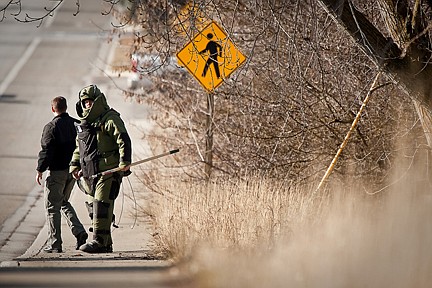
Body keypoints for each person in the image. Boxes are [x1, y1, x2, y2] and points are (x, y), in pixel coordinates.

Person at [70, 84, 132, 253]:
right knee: (93, 208)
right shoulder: (85, 124)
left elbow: (123, 139)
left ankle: (98, 241)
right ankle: (107, 243)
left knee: (102, 206)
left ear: (97, 101)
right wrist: (74, 165)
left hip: (109, 171)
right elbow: (79, 148)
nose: (87, 105)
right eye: (85, 102)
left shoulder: (110, 118)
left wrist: (124, 162)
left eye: (90, 101)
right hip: (90, 173)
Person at [36, 96, 88, 253]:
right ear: (66, 107)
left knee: (52, 206)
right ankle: (79, 231)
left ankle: (54, 244)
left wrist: (40, 169)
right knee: (63, 201)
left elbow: (47, 150)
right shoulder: (76, 125)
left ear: (53, 109)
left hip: (57, 171)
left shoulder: (51, 127)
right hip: (72, 172)